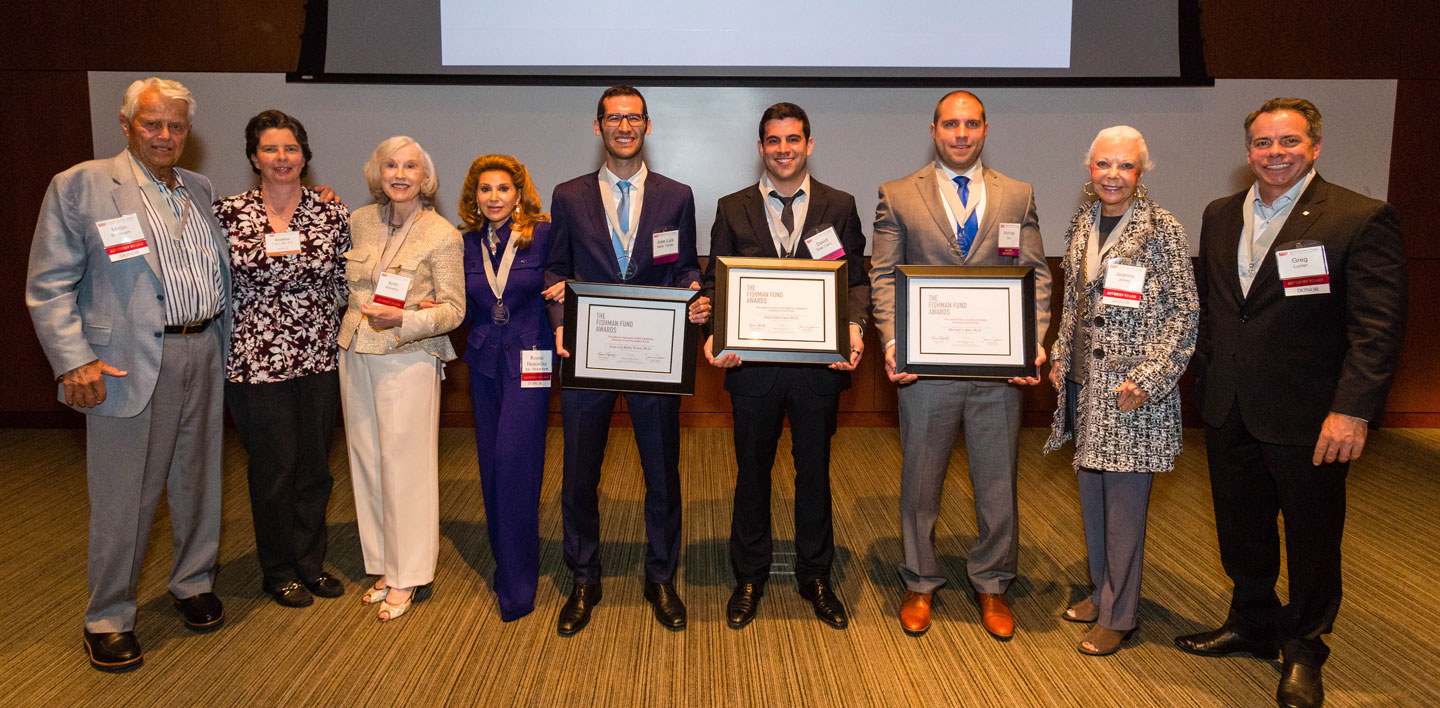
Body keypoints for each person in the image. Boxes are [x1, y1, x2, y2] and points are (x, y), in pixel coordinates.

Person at [1174, 98, 1406, 708]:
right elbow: (1220, 308)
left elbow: (1376, 328)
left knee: (1311, 535)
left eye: (1289, 142)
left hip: (1311, 414)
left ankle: (1305, 646)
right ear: (1247, 150)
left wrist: (1353, 409)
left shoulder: (1359, 217)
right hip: (1228, 404)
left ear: (1316, 146)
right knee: (1240, 525)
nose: (1275, 153)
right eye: (1262, 143)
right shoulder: (1220, 214)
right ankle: (1252, 619)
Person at [26, 77, 228, 672]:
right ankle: (108, 616)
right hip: (125, 362)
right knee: (124, 498)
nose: (165, 135)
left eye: (176, 125)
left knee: (198, 482)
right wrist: (74, 359)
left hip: (204, 348)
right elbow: (48, 284)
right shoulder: (81, 185)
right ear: (126, 123)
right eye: (152, 123)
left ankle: (192, 582)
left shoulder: (198, 187)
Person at [869, 90, 1052, 639]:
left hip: (998, 369)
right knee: (920, 480)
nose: (961, 134)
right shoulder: (897, 194)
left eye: (971, 124)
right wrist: (891, 342)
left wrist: (1033, 340)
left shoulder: (1017, 195)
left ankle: (993, 582)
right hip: (926, 369)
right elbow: (883, 275)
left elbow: (1036, 273)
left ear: (986, 129)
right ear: (934, 129)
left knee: (997, 481)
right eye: (951, 125)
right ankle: (920, 579)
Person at [544, 85, 711, 634]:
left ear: (647, 126)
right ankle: (584, 577)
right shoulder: (568, 195)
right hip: (589, 354)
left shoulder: (676, 195)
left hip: (653, 357)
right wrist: (562, 322)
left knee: (662, 472)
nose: (624, 127)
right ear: (598, 127)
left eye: (633, 118)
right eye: (613, 118)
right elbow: (555, 269)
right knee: (579, 475)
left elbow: (685, 265)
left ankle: (660, 577)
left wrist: (695, 294)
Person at [701, 102, 869, 630]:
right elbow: (713, 285)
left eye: (793, 139)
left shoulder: (840, 206)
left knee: (814, 474)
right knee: (751, 474)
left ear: (809, 144)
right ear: (760, 148)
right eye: (773, 141)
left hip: (819, 371)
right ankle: (749, 576)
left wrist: (856, 328)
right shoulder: (732, 208)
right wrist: (712, 334)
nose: (783, 149)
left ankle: (815, 576)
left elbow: (857, 280)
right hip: (751, 370)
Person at [1041, 126, 1197, 655]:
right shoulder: (1083, 221)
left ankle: (1120, 614)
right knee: (1092, 500)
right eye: (1103, 164)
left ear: (1141, 171)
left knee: (1125, 509)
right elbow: (1074, 301)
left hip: (1132, 392)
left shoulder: (1163, 229)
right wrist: (1062, 352)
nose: (1113, 175)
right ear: (1089, 168)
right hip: (1086, 386)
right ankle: (1101, 591)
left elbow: (1185, 314)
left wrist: (1149, 379)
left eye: (1125, 166)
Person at [214, 110, 350, 608]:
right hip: (254, 361)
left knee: (314, 465)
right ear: (254, 157)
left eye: (290, 148)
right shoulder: (226, 213)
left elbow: (343, 284)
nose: (281, 157)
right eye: (270, 149)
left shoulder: (331, 212)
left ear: (304, 155)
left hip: (318, 356)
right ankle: (277, 568)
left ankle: (310, 563)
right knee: (274, 468)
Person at [338, 136, 464, 622]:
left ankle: (409, 573)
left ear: (425, 177)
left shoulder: (441, 234)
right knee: (367, 459)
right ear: (378, 171)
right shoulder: (360, 221)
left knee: (405, 467)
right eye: (391, 164)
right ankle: (385, 566)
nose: (400, 174)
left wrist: (409, 320)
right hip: (355, 349)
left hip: (408, 355)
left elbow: (455, 309)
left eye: (411, 166)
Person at [455, 154, 557, 621]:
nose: (493, 198)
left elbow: (566, 280)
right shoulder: (462, 243)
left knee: (513, 459)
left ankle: (518, 579)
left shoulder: (544, 235)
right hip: (482, 362)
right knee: (490, 463)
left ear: (519, 194)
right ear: (473, 196)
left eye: (503, 189)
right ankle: (506, 559)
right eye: (484, 189)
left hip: (531, 359)